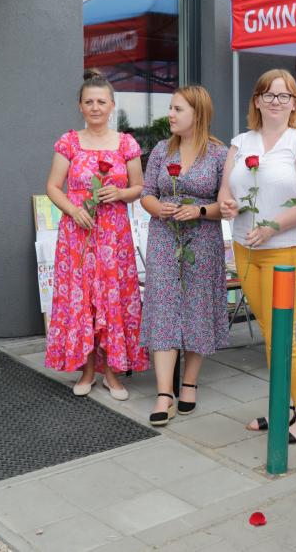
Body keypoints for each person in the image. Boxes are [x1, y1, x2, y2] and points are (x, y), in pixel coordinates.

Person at [219, 69, 296, 443]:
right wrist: (228, 206)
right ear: (257, 101)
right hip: (246, 249)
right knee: (269, 332)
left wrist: (273, 226)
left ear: (294, 104)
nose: (276, 101)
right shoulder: (240, 142)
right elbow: (223, 194)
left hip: (288, 249)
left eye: (284, 96)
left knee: (281, 335)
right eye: (269, 95)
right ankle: (284, 408)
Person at [45, 70, 148, 399]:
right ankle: (87, 370)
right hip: (78, 236)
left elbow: (139, 188)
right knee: (83, 301)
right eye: (88, 101)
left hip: (113, 237)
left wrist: (119, 194)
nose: (95, 107)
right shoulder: (69, 142)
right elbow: (52, 186)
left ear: (112, 105)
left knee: (112, 300)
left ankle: (113, 373)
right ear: (79, 105)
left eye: (101, 101)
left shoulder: (126, 143)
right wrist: (73, 210)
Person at [140, 85, 229, 426]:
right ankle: (165, 393)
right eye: (171, 108)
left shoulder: (220, 155)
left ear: (198, 113)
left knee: (196, 308)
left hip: (202, 240)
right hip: (164, 236)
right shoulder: (163, 149)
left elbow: (227, 205)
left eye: (178, 109)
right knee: (163, 306)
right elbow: (147, 193)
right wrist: (158, 208)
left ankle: (188, 382)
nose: (171, 115)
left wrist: (201, 211)